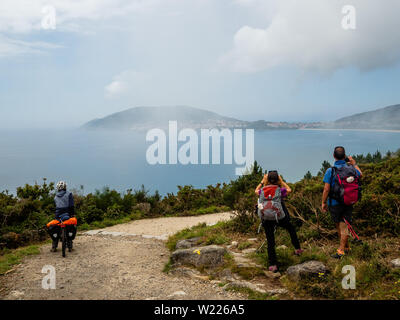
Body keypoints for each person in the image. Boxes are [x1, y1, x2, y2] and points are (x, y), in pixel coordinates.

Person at [255, 171, 303, 273]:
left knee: (270, 240)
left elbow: (256, 191)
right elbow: (289, 190)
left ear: (267, 180)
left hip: (266, 218)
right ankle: (297, 249)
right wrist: (282, 181)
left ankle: (273, 265)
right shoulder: (280, 190)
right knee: (290, 228)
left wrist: (262, 182)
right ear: (278, 179)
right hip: (279, 217)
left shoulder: (262, 191)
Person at [321, 146, 362, 259]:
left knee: (341, 226)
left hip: (334, 203)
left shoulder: (331, 170)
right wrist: (354, 163)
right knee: (342, 225)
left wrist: (323, 202)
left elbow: (326, 189)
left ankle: (341, 251)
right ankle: (347, 247)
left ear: (334, 156)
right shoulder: (352, 168)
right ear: (345, 156)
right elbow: (360, 174)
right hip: (349, 201)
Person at [48, 181, 76, 252]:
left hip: (58, 214)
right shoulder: (69, 194)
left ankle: (54, 246)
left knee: (56, 226)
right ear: (65, 187)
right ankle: (70, 246)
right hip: (67, 213)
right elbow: (71, 205)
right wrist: (72, 214)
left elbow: (56, 205)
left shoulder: (55, 196)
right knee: (70, 225)